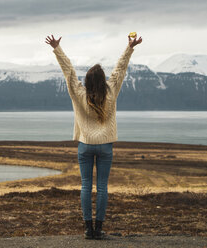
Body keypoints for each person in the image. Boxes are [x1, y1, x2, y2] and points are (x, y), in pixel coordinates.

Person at [45, 34, 142, 239]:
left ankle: (88, 229)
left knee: (86, 186)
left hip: (85, 146)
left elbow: (69, 72)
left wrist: (57, 49)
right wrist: (129, 48)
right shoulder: (111, 91)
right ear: (102, 81)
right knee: (103, 187)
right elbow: (120, 69)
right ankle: (99, 228)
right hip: (105, 146)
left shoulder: (79, 94)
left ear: (87, 81)